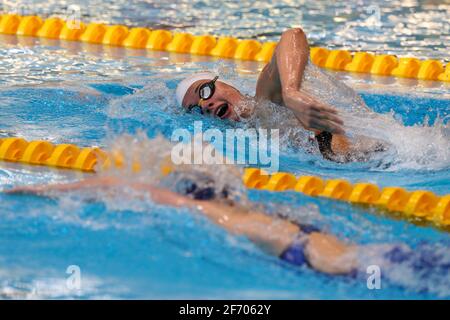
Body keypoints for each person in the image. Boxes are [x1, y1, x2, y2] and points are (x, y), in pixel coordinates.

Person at [5, 170, 445, 279]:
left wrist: (29, 190)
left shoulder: (209, 214)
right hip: (353, 255)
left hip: (333, 263)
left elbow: (110, 184)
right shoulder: (260, 213)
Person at [175, 28, 386, 162]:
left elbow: (293, 36)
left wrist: (291, 92)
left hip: (389, 154)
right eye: (196, 109)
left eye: (204, 90)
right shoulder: (253, 136)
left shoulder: (264, 101)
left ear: (224, 83)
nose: (204, 105)